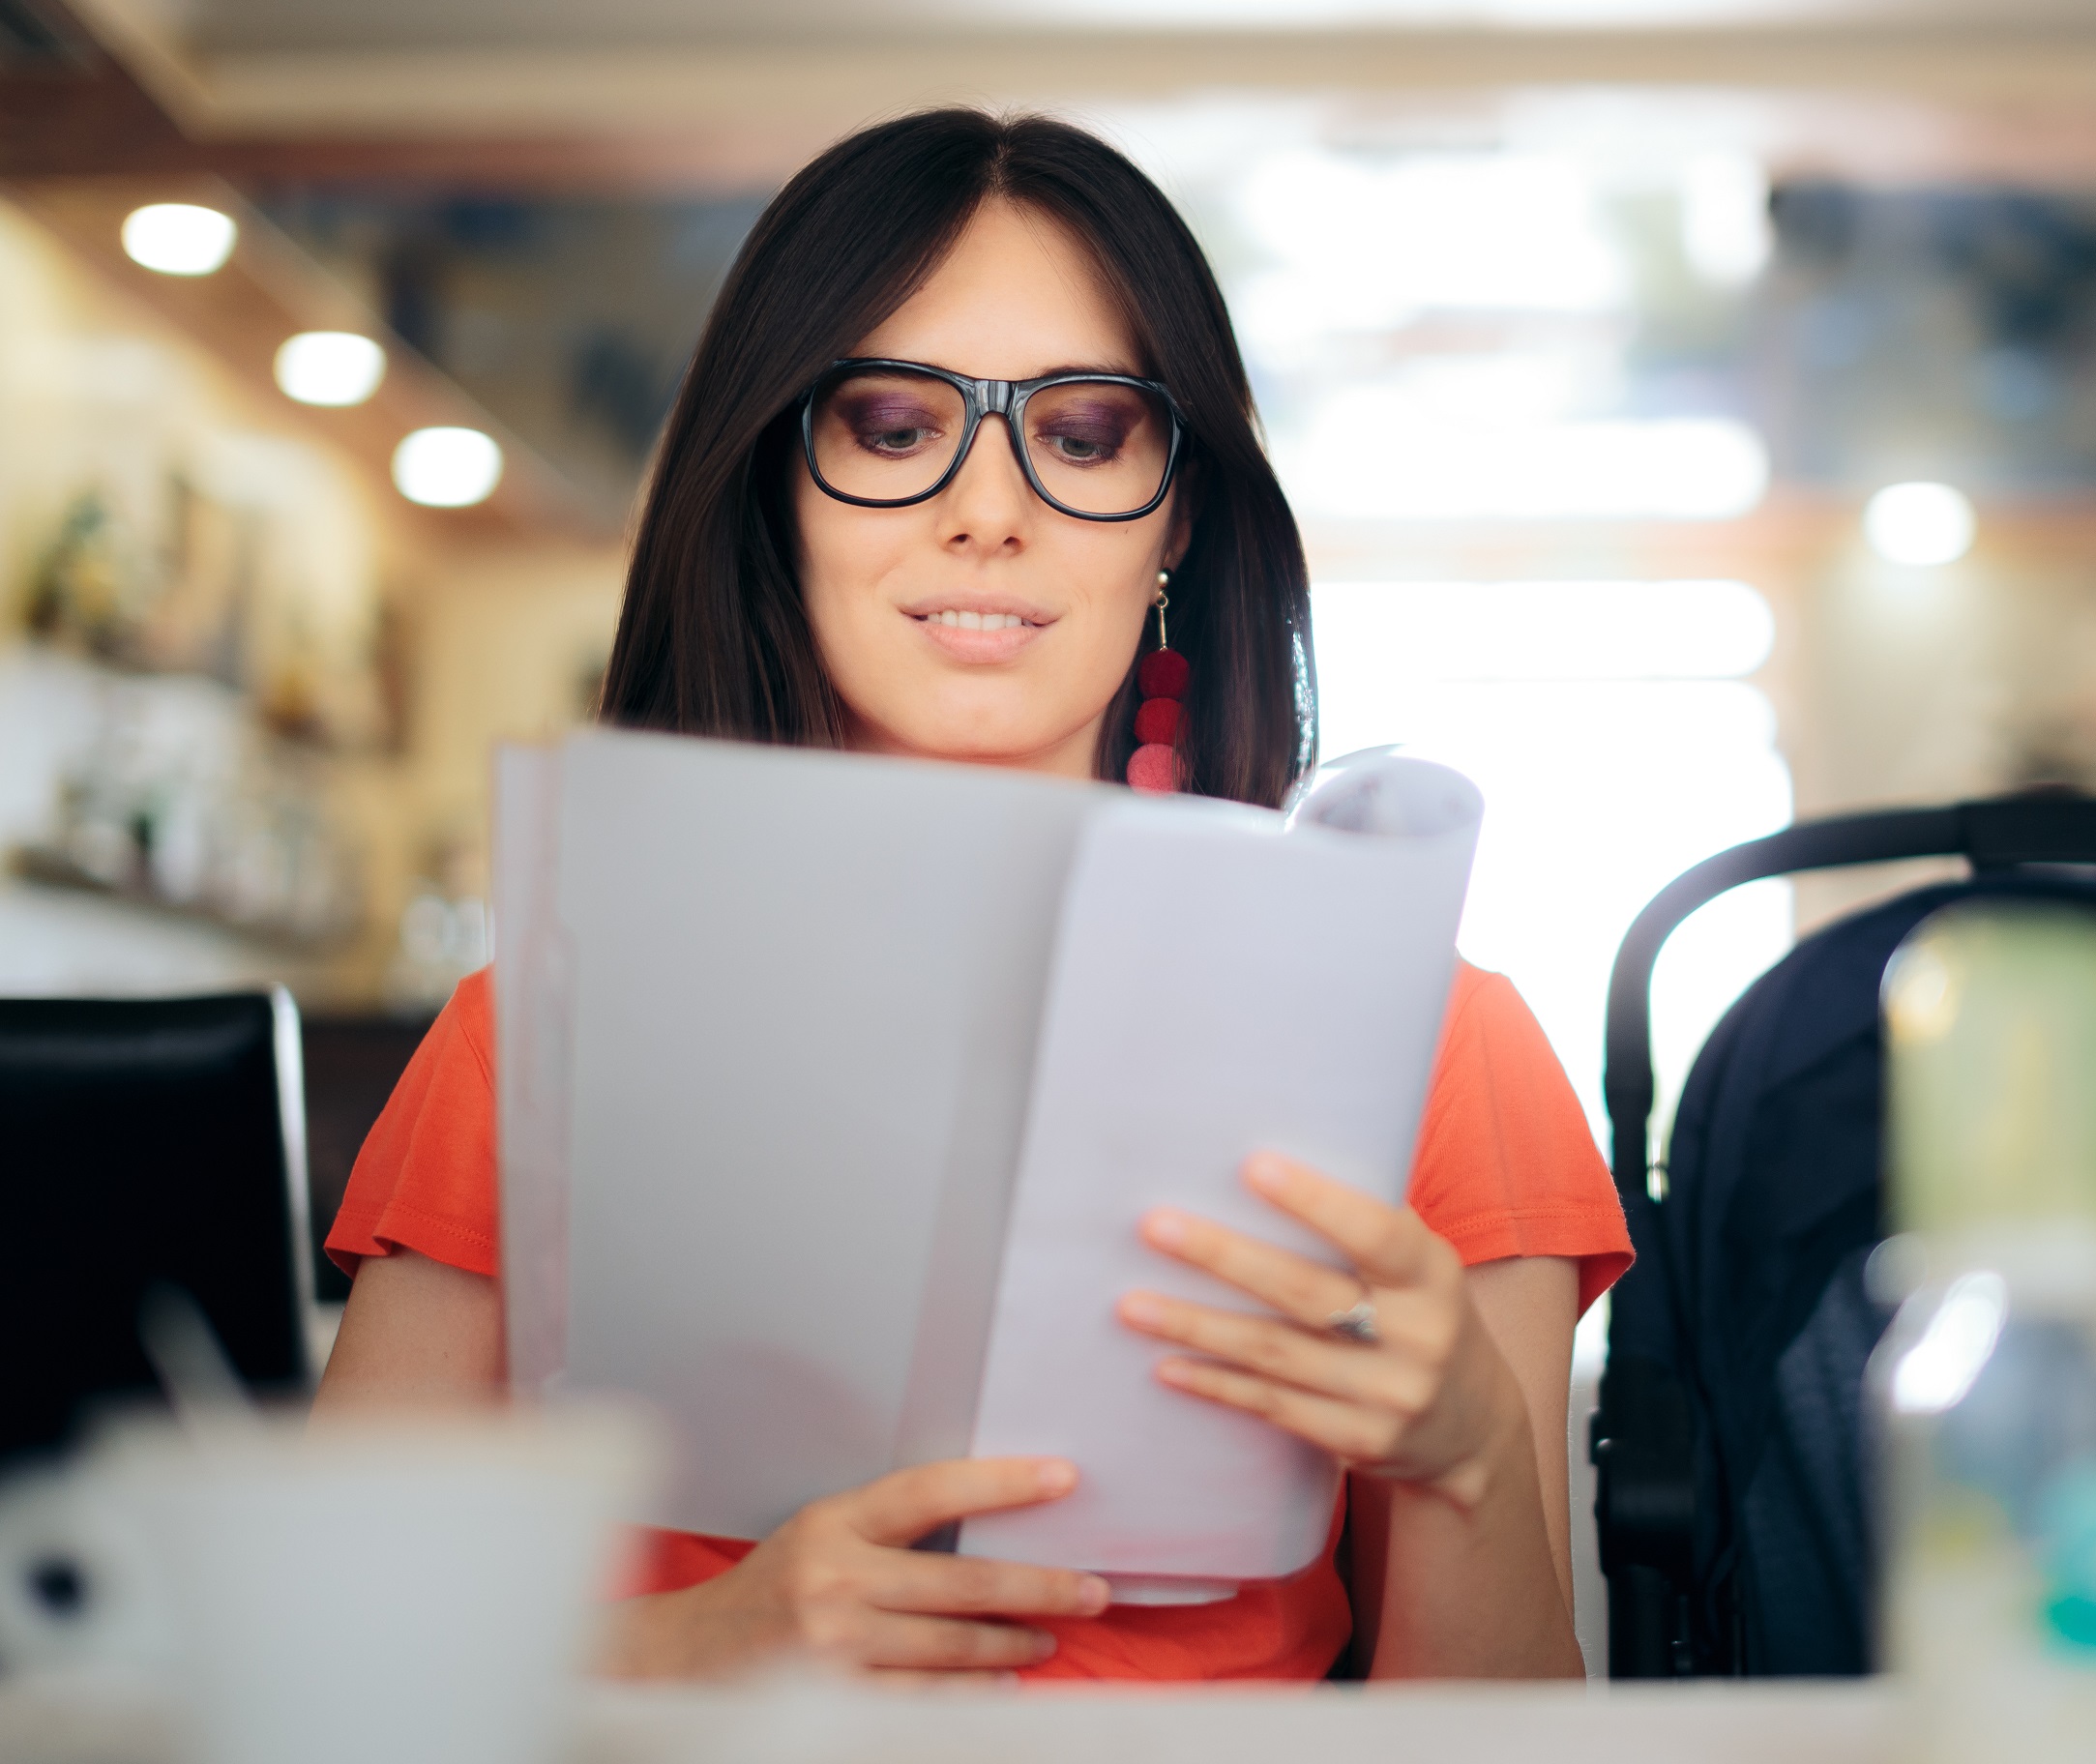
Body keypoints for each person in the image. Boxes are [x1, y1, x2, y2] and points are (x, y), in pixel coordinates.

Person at [315, 108, 1631, 1684]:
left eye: (1081, 436)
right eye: (888, 424)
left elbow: (1505, 1735)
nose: (989, 510)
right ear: (775, 492)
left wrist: (1472, 1451)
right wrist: (707, 1640)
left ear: (1178, 513)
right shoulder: (549, 1020)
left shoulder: (1434, 1036)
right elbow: (321, 1665)